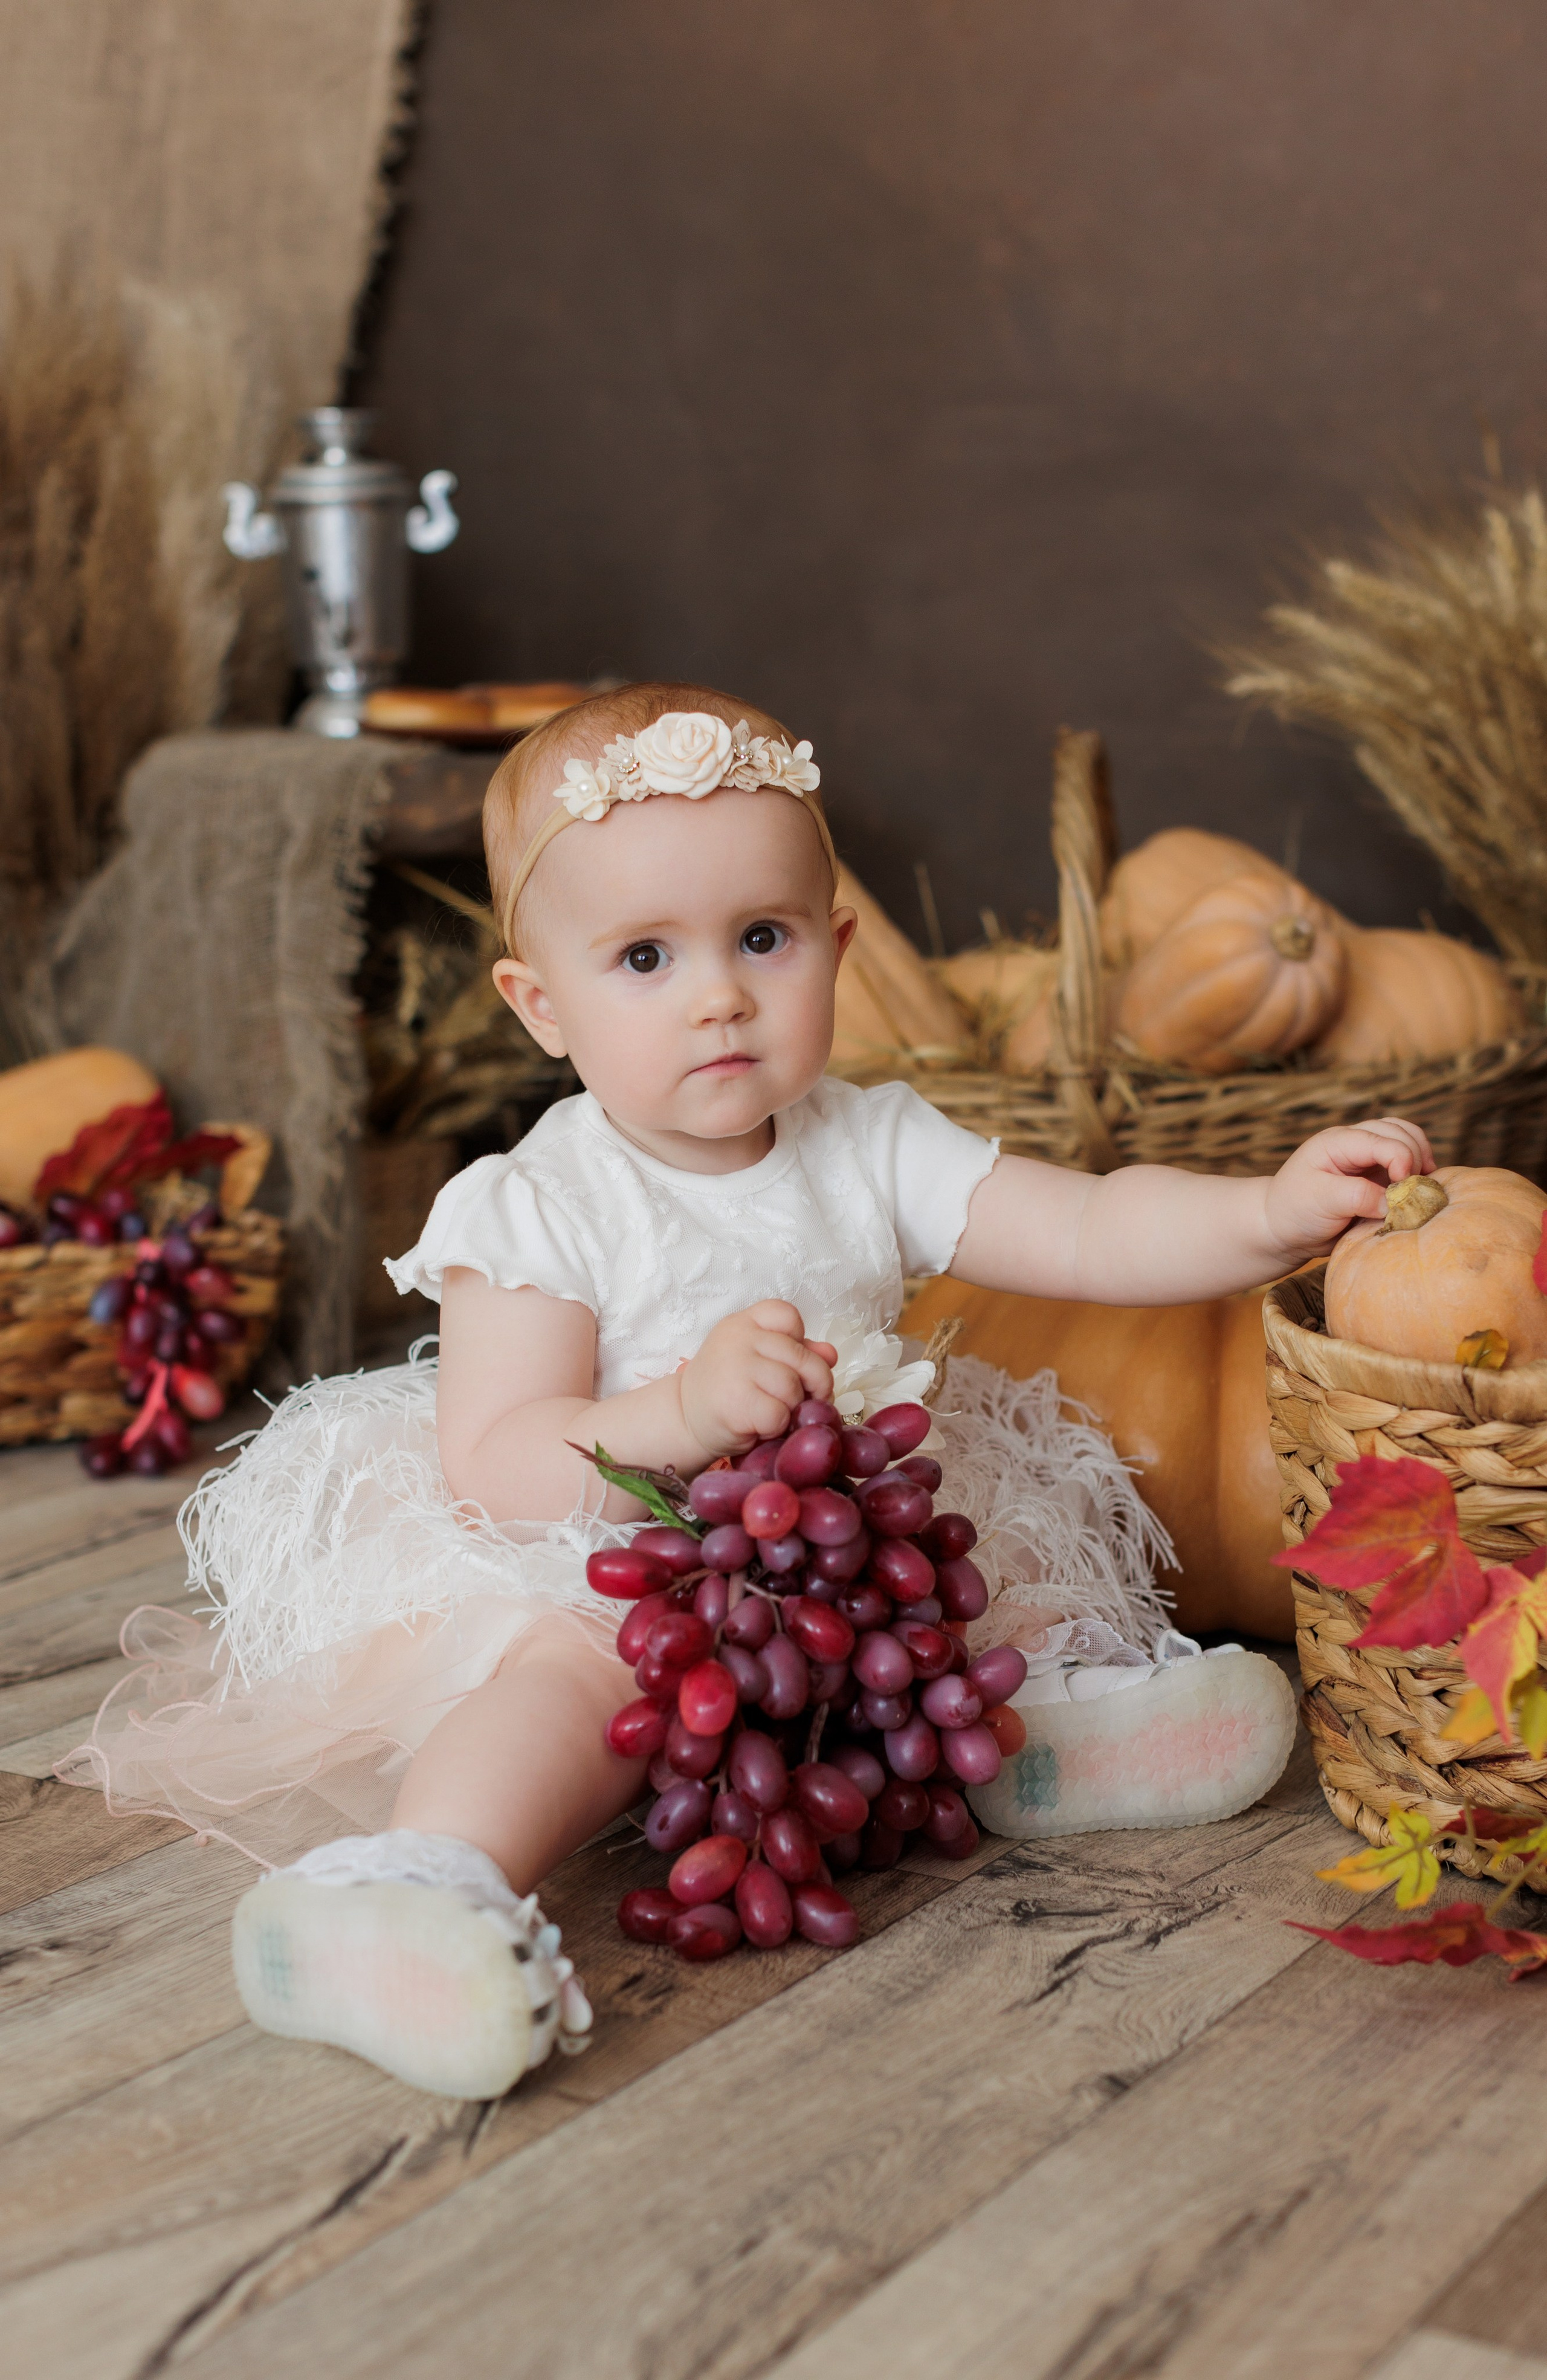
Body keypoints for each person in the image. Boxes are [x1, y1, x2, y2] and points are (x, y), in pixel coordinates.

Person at [60, 684, 1433, 2100]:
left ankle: (1043, 1735)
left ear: (834, 949)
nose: (718, 993)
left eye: (761, 939)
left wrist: (1266, 1214)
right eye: (643, 956)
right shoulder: (540, 1204)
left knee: (984, 1581)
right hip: (616, 1545)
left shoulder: (867, 1142)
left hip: (848, 1546)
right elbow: (497, 1458)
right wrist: (676, 1419)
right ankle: (413, 1886)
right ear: (542, 1004)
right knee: (570, 1693)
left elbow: (1087, 1227)